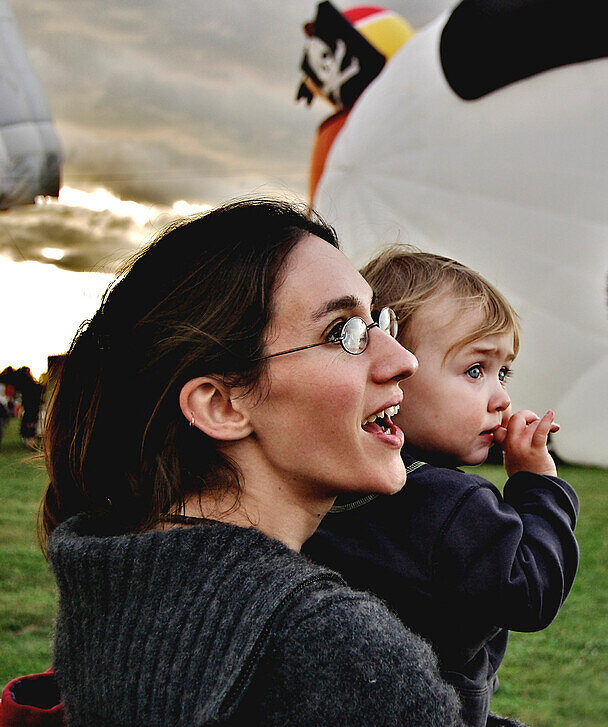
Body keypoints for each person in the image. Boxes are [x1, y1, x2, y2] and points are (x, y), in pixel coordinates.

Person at [36, 200, 462, 726]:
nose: (403, 359)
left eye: (380, 321)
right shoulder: (330, 647)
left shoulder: (115, 581)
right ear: (220, 404)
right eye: (344, 333)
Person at [304, 245, 580, 727]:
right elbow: (530, 591)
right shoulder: (454, 502)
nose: (501, 398)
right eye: (475, 371)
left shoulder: (321, 481)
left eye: (502, 372)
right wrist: (538, 485)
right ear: (394, 370)